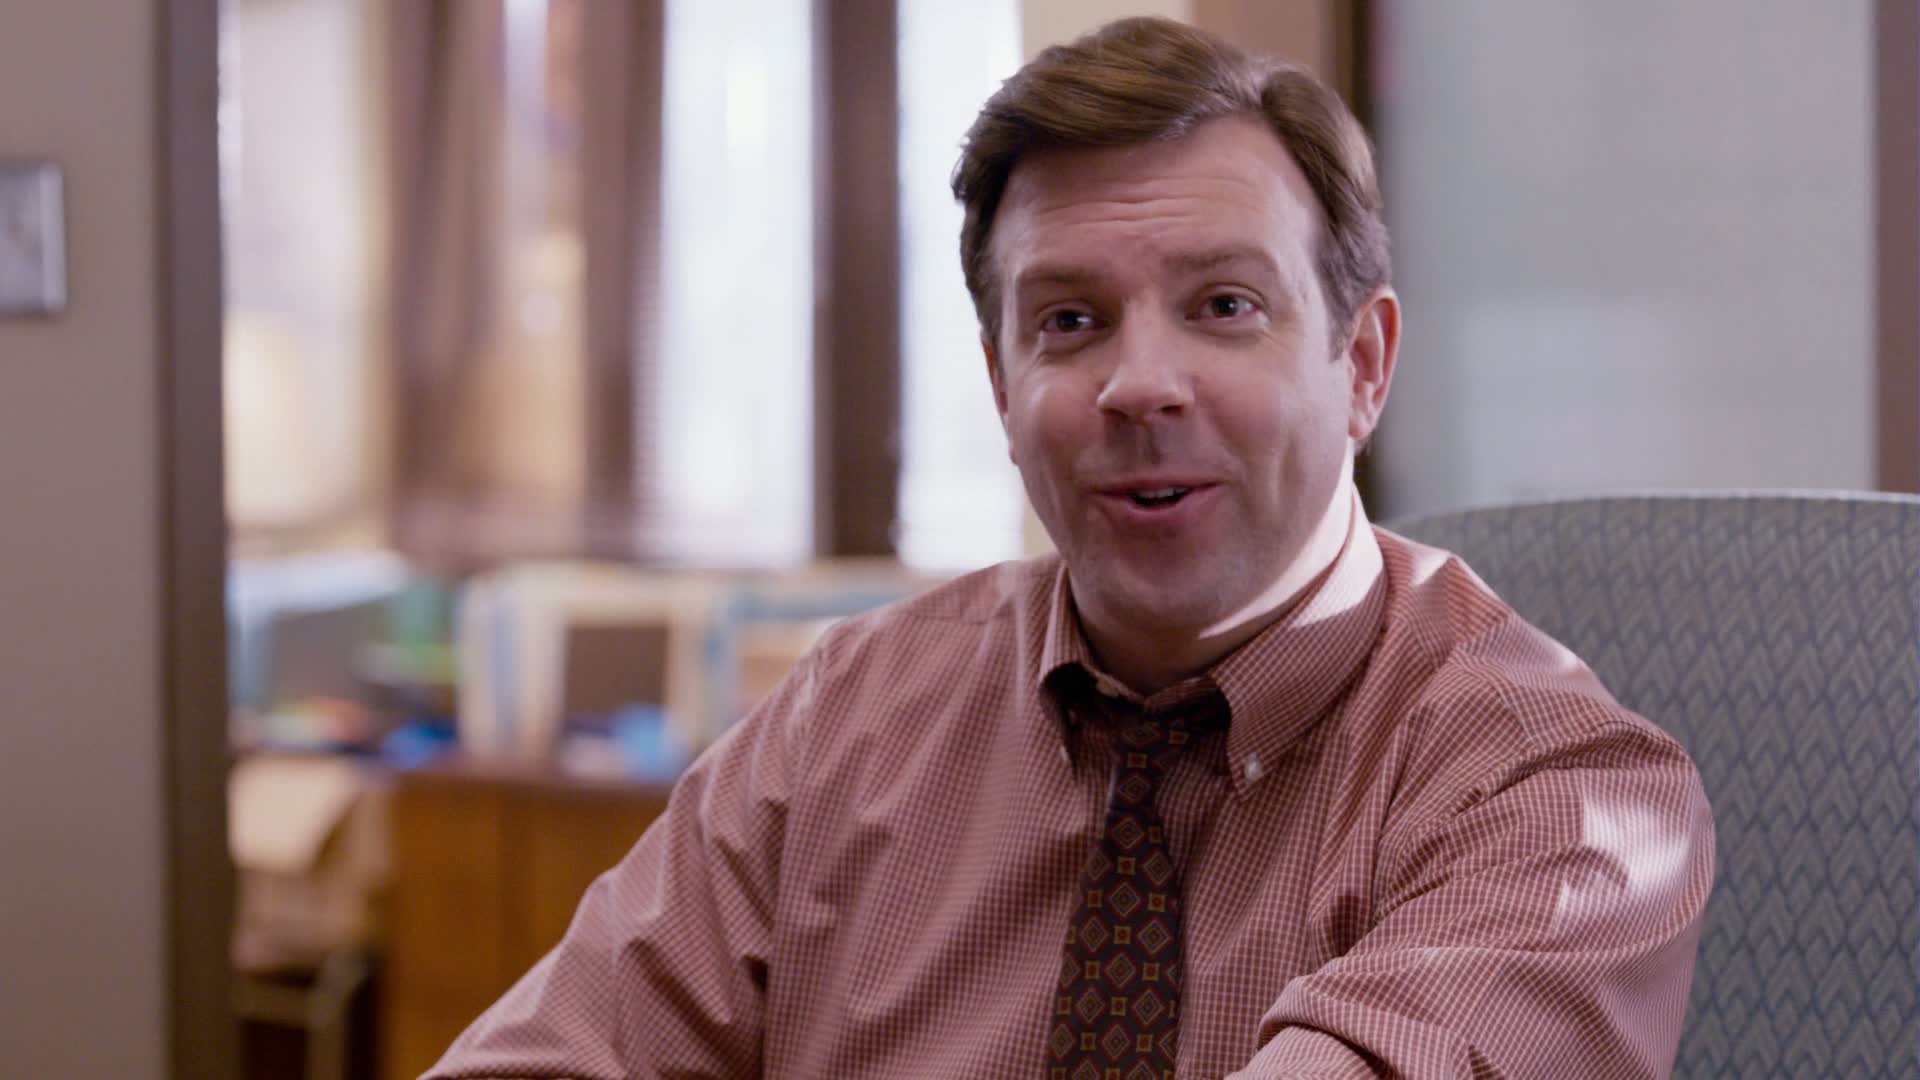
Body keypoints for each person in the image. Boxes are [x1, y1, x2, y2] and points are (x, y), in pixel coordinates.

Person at [427, 17, 1713, 1079]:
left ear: (1364, 364)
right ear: (1002, 388)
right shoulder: (844, 722)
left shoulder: (1559, 793)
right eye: (1070, 321)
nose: (1140, 385)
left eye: (1224, 306)